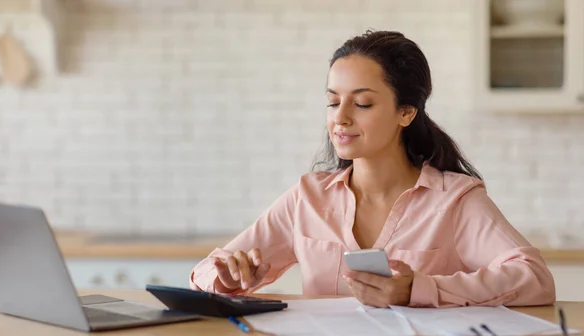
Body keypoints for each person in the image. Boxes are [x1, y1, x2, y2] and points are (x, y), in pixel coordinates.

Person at [189, 30, 556, 308]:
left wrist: (422, 289)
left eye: (362, 103)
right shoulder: (308, 198)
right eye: (333, 102)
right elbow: (204, 274)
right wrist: (228, 277)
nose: (341, 119)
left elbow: (535, 278)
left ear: (406, 112)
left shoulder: (455, 200)